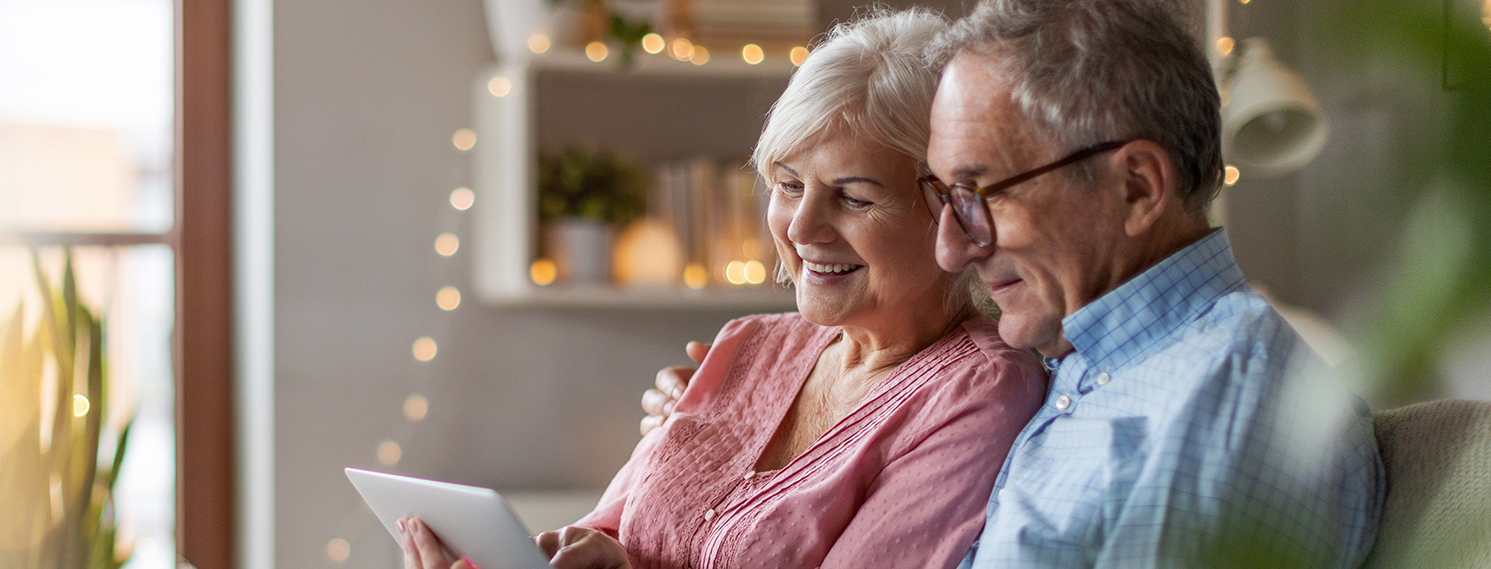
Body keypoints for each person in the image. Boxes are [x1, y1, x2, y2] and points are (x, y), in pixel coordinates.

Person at [646, 0, 1385, 566]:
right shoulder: (1093, 372)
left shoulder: (1215, 398)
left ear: (1135, 188)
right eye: (944, 197)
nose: (953, 243)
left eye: (978, 194)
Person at [398, 9, 1048, 569]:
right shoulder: (747, 344)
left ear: (951, 211)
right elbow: (609, 528)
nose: (801, 227)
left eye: (852, 197)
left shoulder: (980, 392)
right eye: (789, 185)